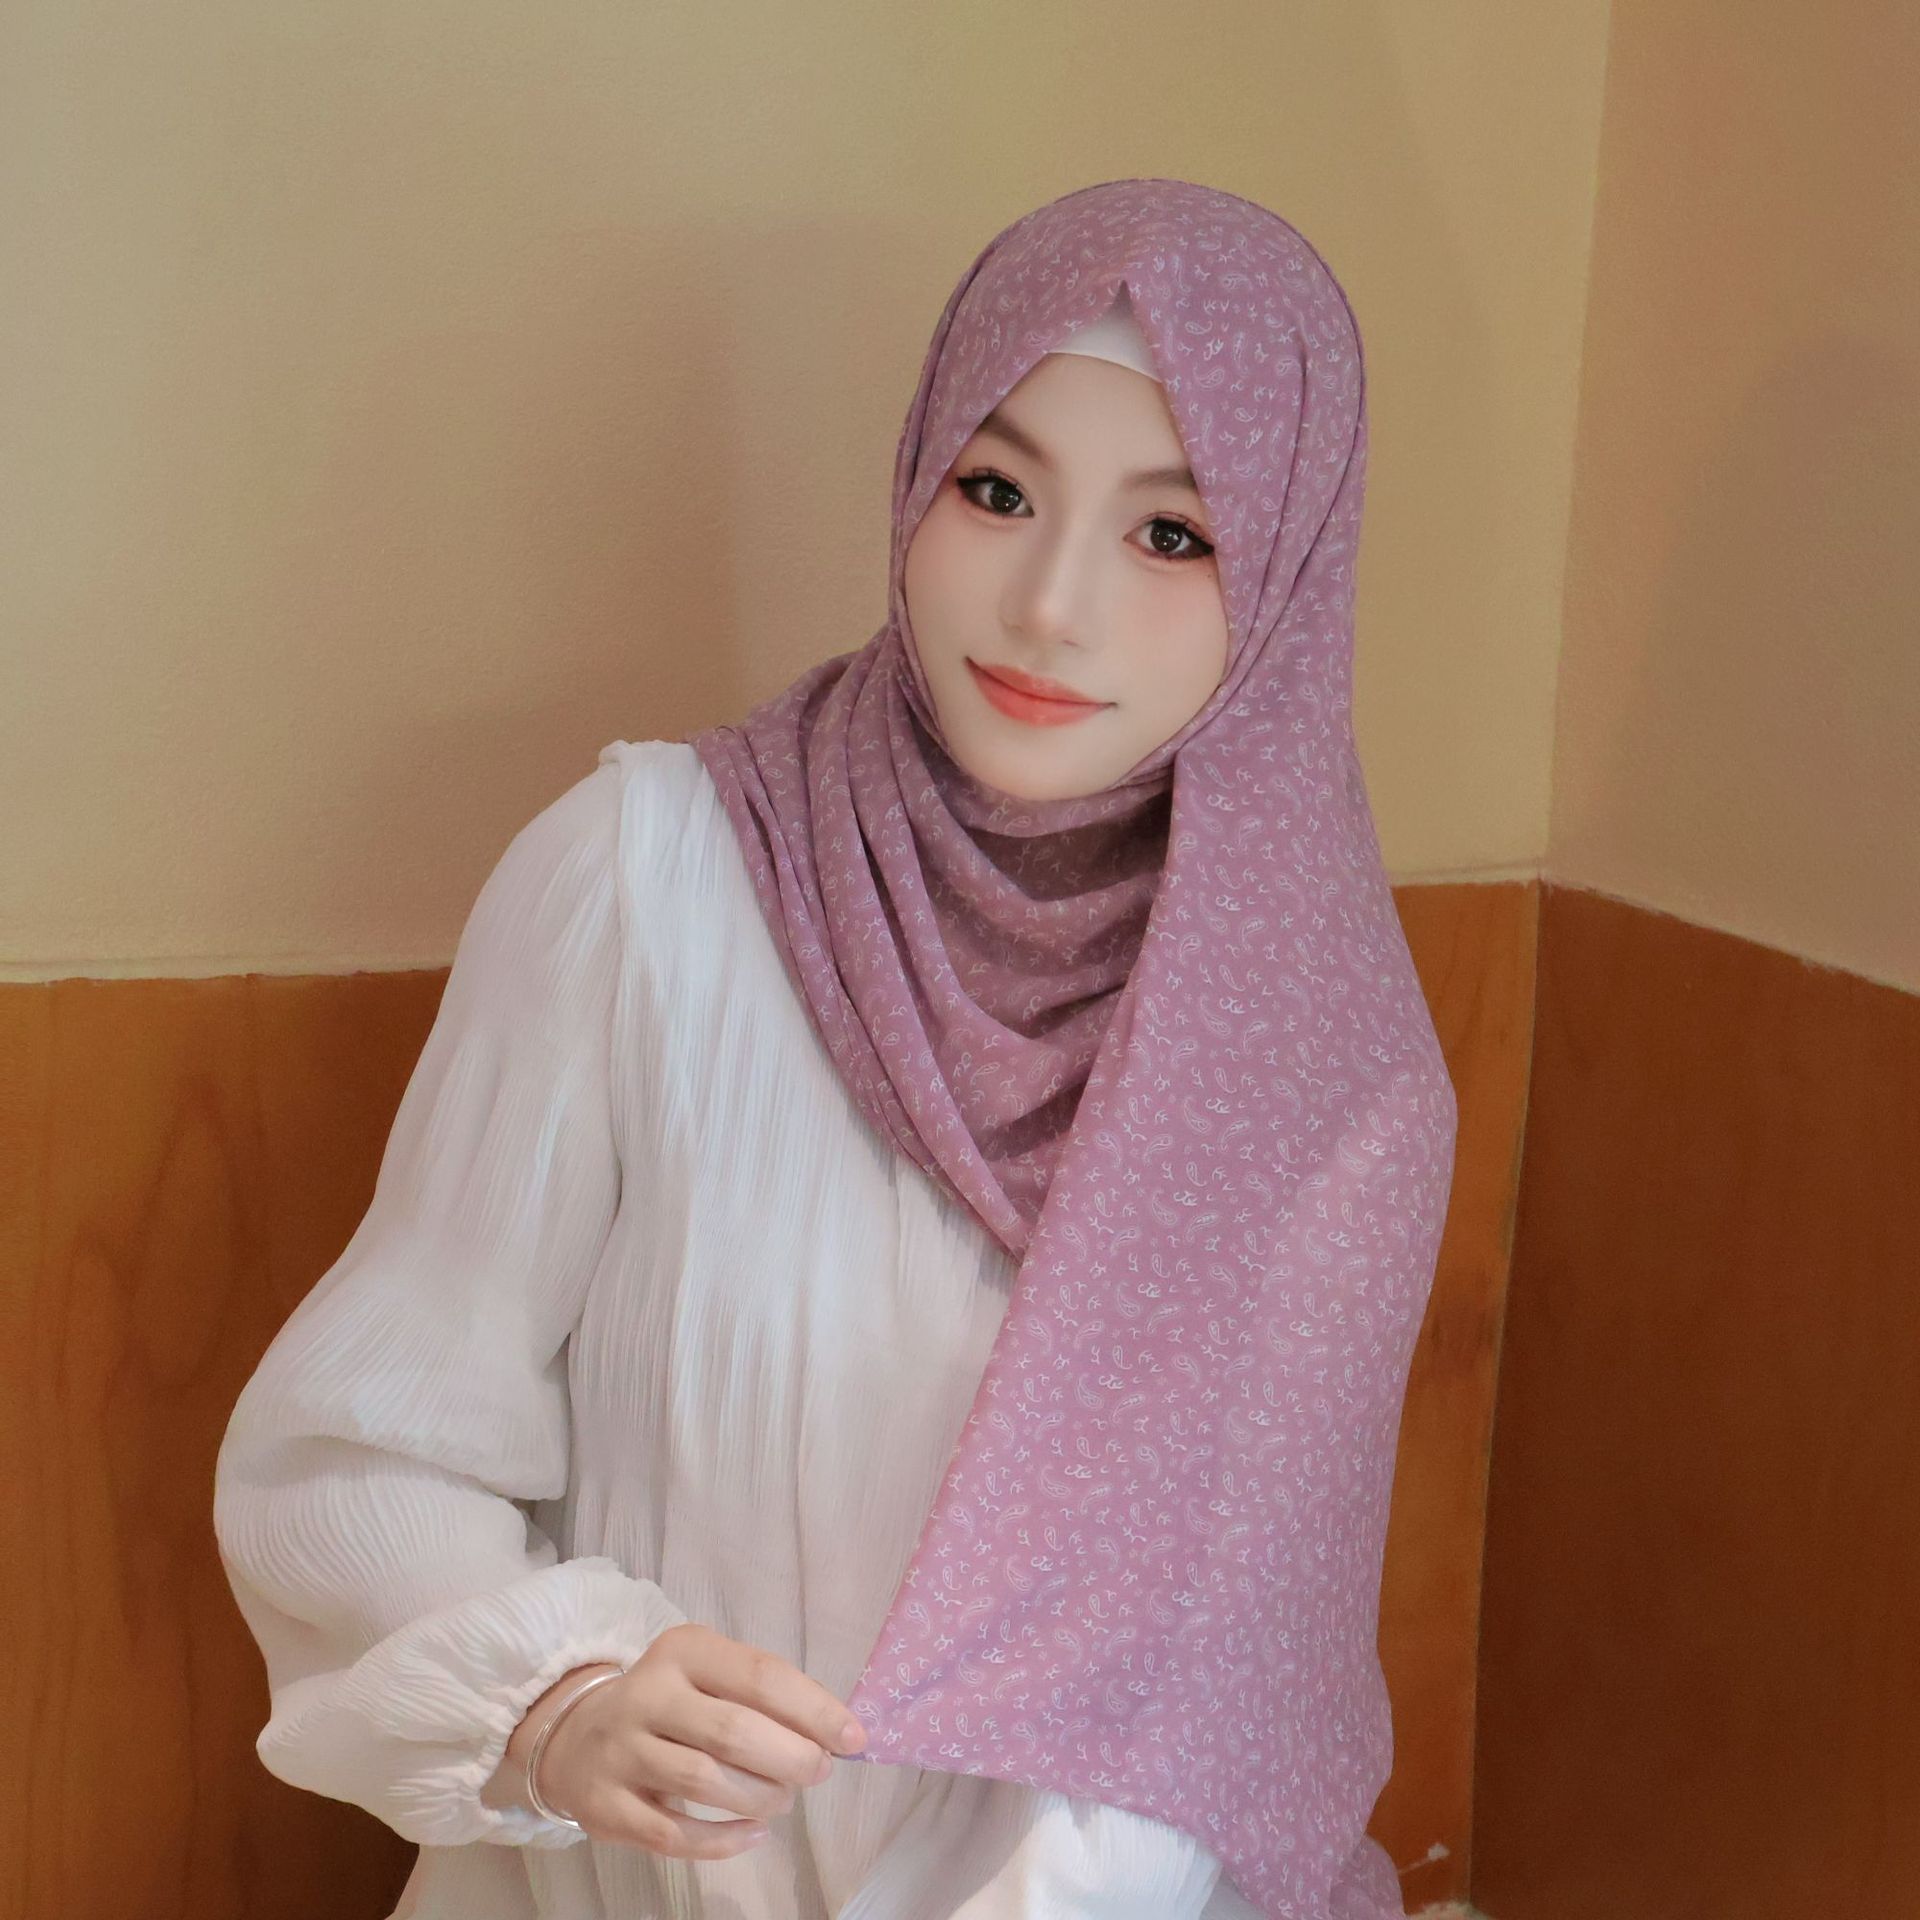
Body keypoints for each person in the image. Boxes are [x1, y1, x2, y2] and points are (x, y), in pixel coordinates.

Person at [215, 179, 1456, 1920]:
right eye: (997, 489)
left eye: (1174, 535)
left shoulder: (1326, 1076)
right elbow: (360, 1447)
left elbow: (1215, 1718)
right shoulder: (643, 886)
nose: (1049, 606)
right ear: (918, 475)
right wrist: (555, 1702)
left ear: (1294, 583)